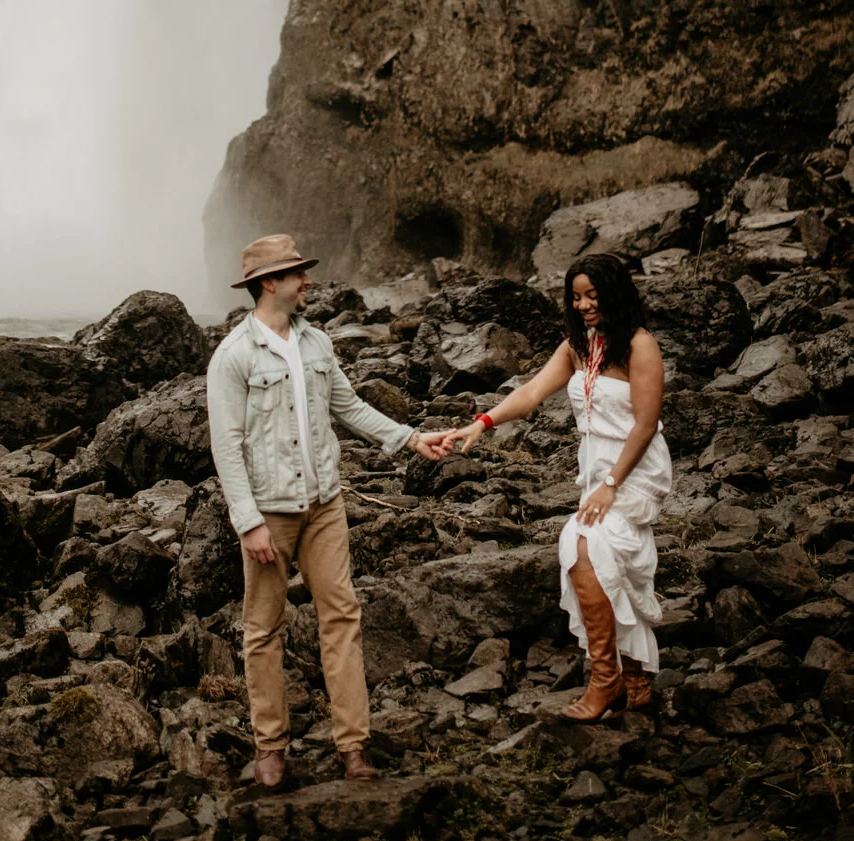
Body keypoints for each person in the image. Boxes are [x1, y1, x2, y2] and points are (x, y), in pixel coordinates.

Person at [207, 233, 446, 789]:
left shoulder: (316, 343)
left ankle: (353, 747)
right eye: (297, 274)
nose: (308, 281)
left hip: (325, 507)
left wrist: (411, 440)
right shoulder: (234, 356)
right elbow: (227, 443)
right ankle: (270, 749)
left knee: (342, 617)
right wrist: (247, 521)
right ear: (270, 283)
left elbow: (350, 407)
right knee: (263, 630)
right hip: (271, 513)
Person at [438, 253, 671, 720]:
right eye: (576, 296)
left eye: (592, 295)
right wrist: (481, 423)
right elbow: (529, 393)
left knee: (587, 548)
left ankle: (605, 681)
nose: (583, 305)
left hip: (632, 465)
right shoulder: (578, 346)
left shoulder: (640, 345)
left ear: (614, 293)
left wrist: (609, 484)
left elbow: (645, 425)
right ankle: (634, 676)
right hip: (595, 464)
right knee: (605, 557)